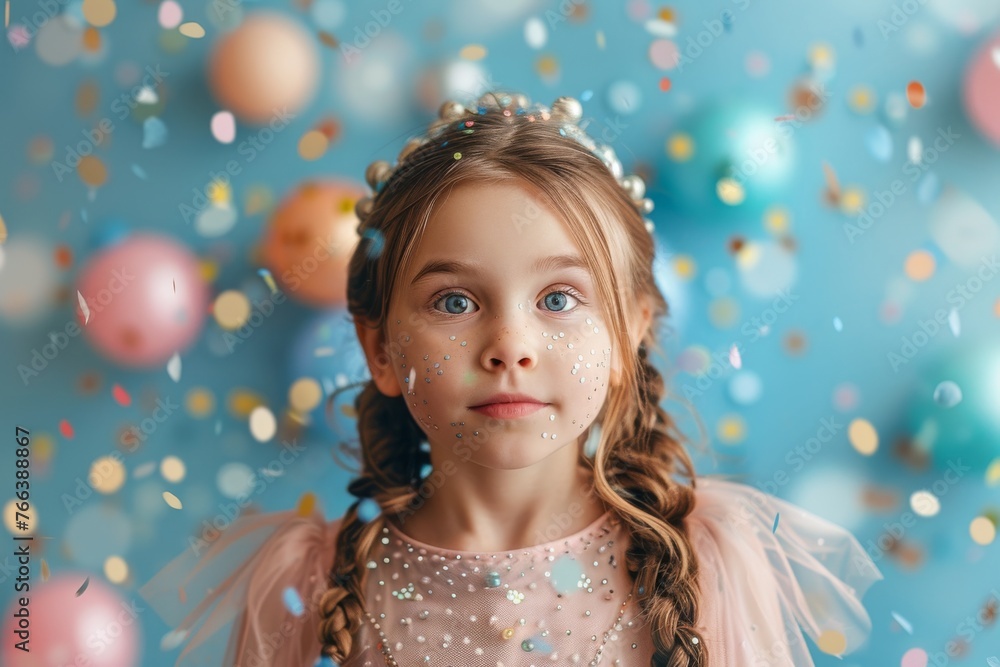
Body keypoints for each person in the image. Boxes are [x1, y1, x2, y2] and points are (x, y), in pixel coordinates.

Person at [138, 91, 883, 666]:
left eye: (559, 299)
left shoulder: (705, 560)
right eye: (455, 301)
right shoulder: (308, 585)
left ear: (629, 334)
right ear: (379, 350)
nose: (509, 346)